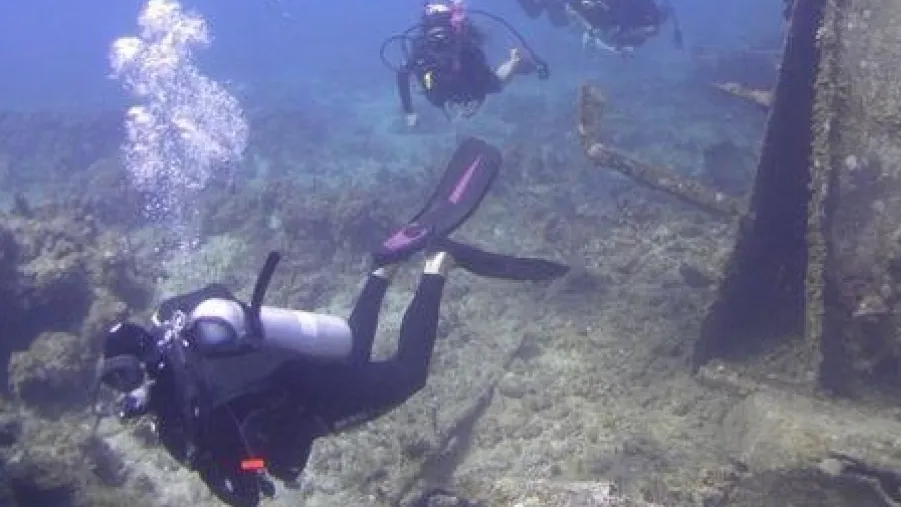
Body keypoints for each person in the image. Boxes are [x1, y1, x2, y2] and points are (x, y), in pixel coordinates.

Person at [93, 138, 570, 507]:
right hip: (298, 363)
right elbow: (216, 296)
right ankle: (382, 269)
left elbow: (246, 495)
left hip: (314, 399)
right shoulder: (179, 334)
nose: (126, 392)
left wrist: (210, 457)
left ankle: (437, 264)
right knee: (353, 346)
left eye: (123, 379)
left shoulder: (191, 419)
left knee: (409, 374)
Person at [381, 0, 550, 127]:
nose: (439, 38)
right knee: (442, 95)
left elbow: (483, 75)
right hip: (444, 93)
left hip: (470, 86)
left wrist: (478, 99)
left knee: (496, 85)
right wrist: (409, 111)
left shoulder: (463, 43)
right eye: (434, 34)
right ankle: (514, 62)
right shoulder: (420, 49)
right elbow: (402, 74)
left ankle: (515, 61)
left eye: (443, 32)